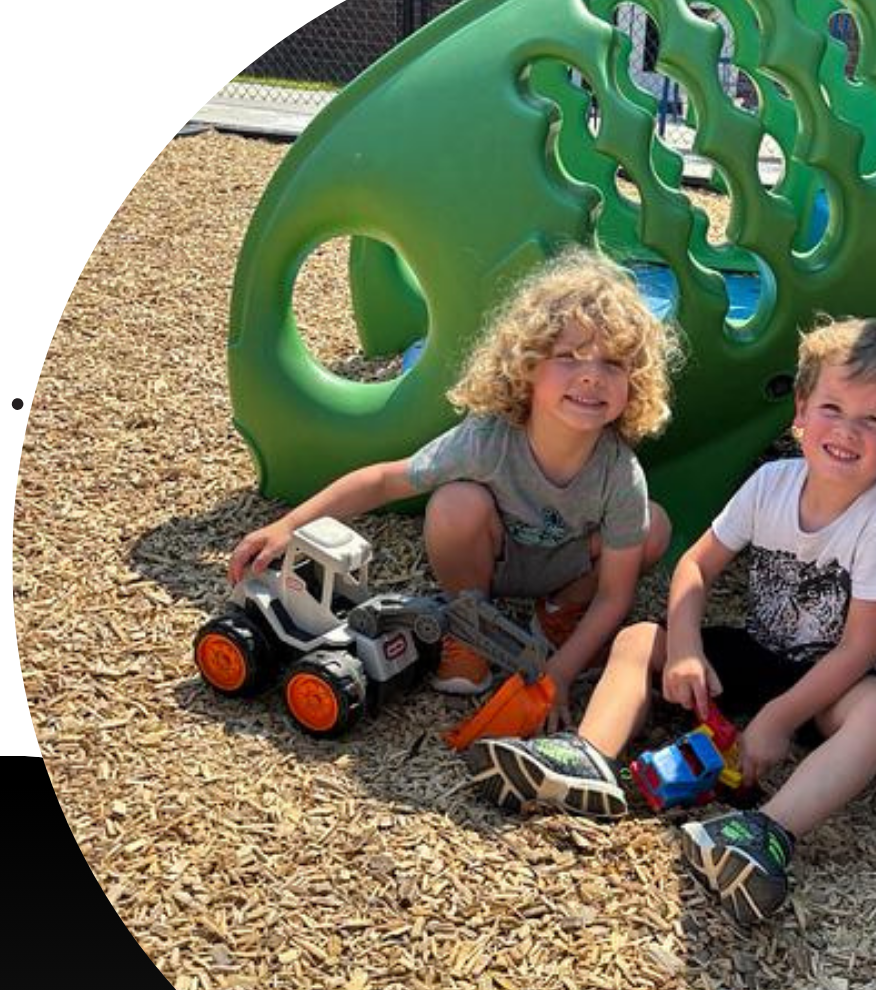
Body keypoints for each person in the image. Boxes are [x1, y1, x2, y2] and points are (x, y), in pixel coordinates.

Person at [469, 317, 876, 924]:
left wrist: (777, 718)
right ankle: (588, 758)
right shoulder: (772, 483)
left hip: (838, 682)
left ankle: (767, 833)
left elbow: (858, 649)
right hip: (761, 650)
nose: (845, 432)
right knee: (644, 638)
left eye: (873, 421)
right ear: (801, 411)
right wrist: (688, 645)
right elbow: (695, 565)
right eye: (832, 407)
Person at [228, 248, 680, 727]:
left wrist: (560, 673)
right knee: (454, 503)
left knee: (654, 526)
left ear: (635, 382)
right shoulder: (490, 439)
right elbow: (385, 480)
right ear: (527, 367)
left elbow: (615, 593)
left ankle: (559, 613)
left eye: (613, 363)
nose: (591, 374)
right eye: (568, 356)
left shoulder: (618, 471)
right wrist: (289, 525)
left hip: (566, 567)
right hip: (495, 561)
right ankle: (469, 624)